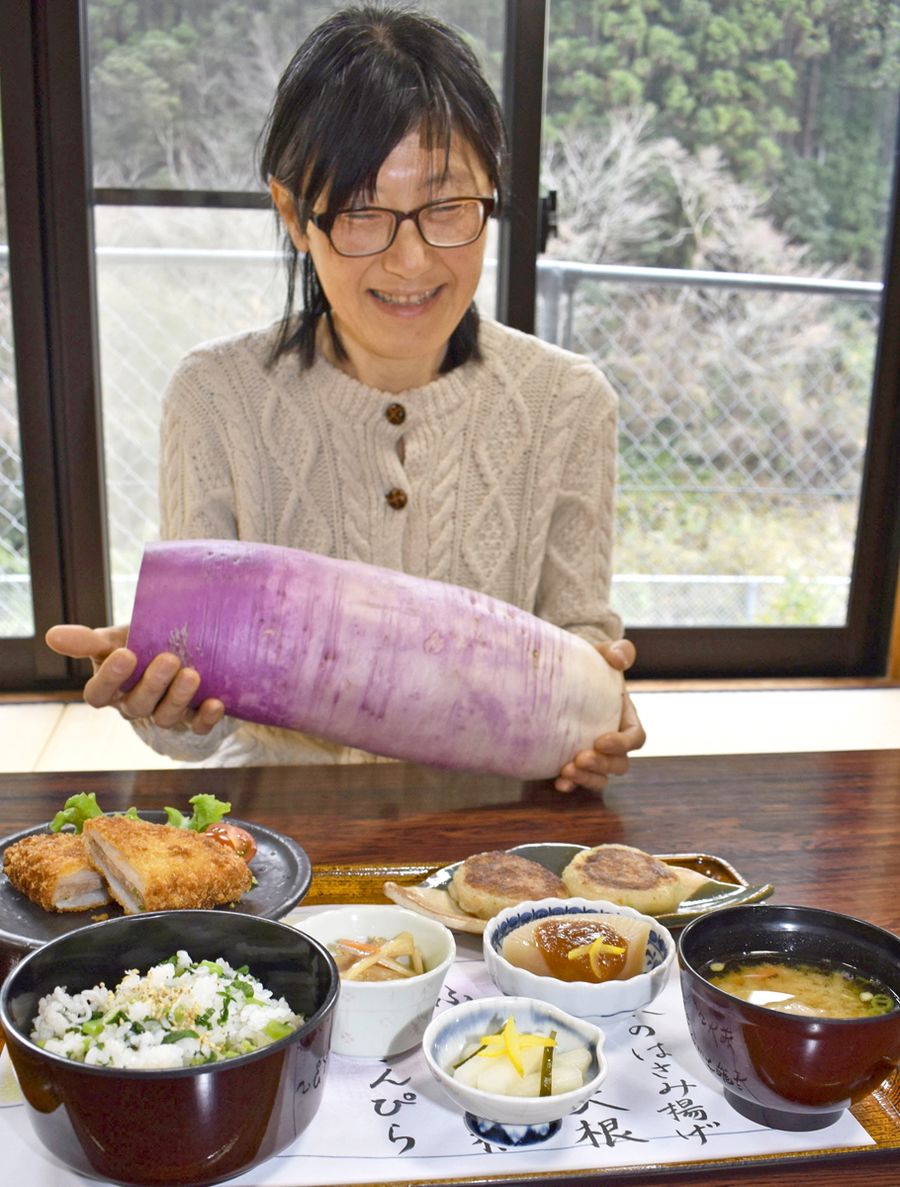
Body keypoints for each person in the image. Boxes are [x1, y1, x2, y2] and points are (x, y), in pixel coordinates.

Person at [46, 3, 645, 792]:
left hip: (484, 840)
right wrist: (161, 704)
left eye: (446, 207)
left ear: (491, 200)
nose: (410, 259)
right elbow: (194, 739)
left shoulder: (567, 399)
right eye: (362, 211)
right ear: (294, 213)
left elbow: (579, 647)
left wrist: (601, 718)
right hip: (280, 842)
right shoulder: (215, 396)